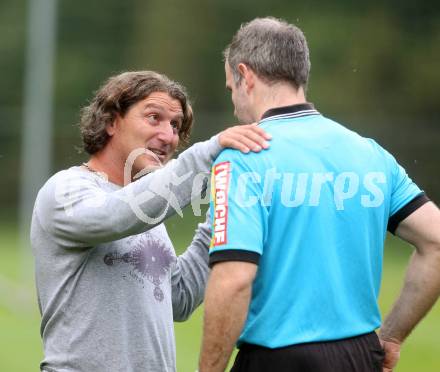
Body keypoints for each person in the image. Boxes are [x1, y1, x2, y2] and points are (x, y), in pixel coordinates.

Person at [199, 17, 440, 372]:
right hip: (360, 357)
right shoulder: (370, 153)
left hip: (279, 360)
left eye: (230, 88)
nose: (234, 104)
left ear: (245, 76)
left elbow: (234, 279)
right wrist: (391, 337)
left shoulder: (243, 159)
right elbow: (436, 240)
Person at [30, 70, 271, 372]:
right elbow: (114, 215)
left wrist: (223, 213)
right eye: (154, 118)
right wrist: (209, 153)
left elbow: (179, 298)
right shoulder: (65, 191)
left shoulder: (147, 213)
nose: (169, 135)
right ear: (111, 121)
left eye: (176, 125)